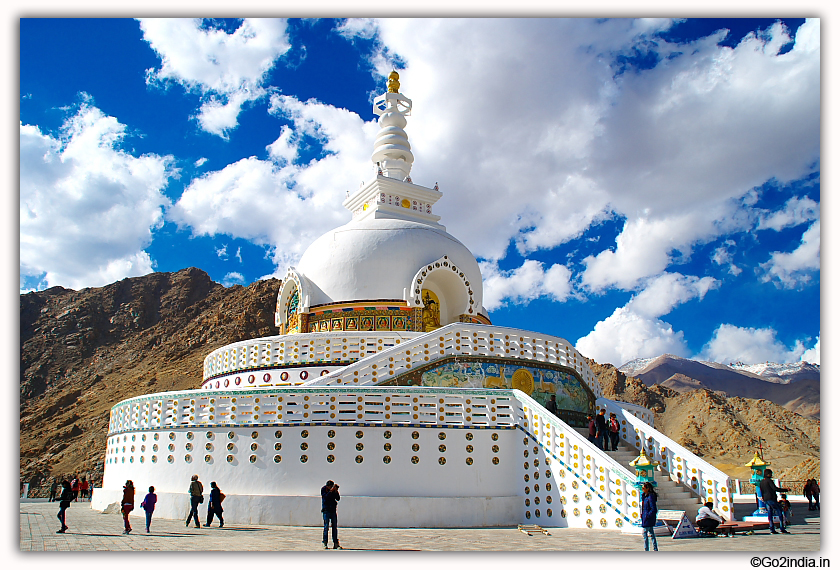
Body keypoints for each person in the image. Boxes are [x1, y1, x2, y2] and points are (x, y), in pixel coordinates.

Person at [759, 468, 790, 534]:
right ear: (768, 474)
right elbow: (775, 489)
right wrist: (786, 490)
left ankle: (772, 529)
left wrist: (764, 498)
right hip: (771, 499)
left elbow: (762, 491)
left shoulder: (762, 482)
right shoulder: (769, 481)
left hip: (766, 500)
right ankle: (782, 528)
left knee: (770, 514)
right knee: (780, 512)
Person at [321, 480, 341, 549]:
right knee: (326, 527)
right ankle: (325, 542)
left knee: (334, 527)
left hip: (333, 511)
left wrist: (335, 491)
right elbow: (326, 498)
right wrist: (331, 491)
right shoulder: (323, 489)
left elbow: (338, 498)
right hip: (326, 510)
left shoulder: (333, 491)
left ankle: (335, 543)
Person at [640, 482, 658, 551]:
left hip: (648, 518)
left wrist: (648, 515)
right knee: (651, 533)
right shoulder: (645, 497)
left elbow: (653, 509)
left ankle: (646, 549)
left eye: (644, 488)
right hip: (645, 518)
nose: (642, 490)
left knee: (645, 534)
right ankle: (655, 548)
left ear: (648, 489)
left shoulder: (650, 497)